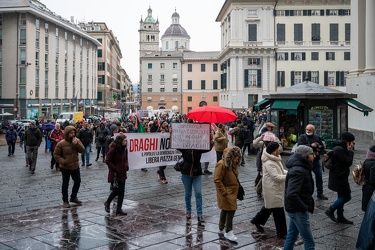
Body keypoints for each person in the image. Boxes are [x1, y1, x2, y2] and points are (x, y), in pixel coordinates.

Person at [251, 142, 287, 239]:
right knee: (278, 210)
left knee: (270, 207)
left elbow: (282, 171)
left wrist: (290, 172)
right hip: (272, 188)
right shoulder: (269, 162)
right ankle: (282, 233)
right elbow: (276, 177)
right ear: (274, 151)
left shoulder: (275, 159)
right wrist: (289, 176)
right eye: (278, 149)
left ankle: (256, 220)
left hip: (275, 188)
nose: (280, 151)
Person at [284, 145, 315, 250]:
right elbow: (292, 193)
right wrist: (303, 207)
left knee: (292, 236)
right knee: (309, 241)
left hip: (295, 208)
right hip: (298, 209)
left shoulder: (302, 166)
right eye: (311, 153)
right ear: (305, 156)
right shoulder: (298, 170)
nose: (314, 155)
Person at [177, 133, 214, 222]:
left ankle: (199, 214)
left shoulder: (199, 147)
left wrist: (211, 140)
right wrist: (172, 134)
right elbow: (176, 144)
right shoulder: (184, 147)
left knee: (198, 193)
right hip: (186, 173)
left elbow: (208, 148)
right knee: (188, 194)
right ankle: (188, 211)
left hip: (197, 173)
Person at [325, 131, 355, 224]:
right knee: (347, 196)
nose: (353, 144)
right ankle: (330, 210)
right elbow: (348, 162)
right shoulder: (339, 149)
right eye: (352, 142)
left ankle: (340, 216)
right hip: (339, 177)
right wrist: (350, 151)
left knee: (341, 196)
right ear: (347, 141)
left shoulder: (341, 148)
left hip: (341, 176)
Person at [214, 146, 242, 241]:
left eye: (238, 158)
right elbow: (217, 179)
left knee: (226, 209)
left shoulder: (233, 165)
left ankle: (221, 227)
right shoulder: (221, 164)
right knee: (231, 209)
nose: (237, 160)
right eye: (235, 158)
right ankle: (228, 231)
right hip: (227, 192)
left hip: (233, 191)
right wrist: (224, 192)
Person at [53, 126, 85, 208]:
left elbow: (82, 150)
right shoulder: (61, 143)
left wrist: (76, 144)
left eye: (74, 133)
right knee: (65, 184)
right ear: (67, 134)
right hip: (66, 167)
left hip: (75, 166)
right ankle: (65, 200)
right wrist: (63, 162)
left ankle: (73, 197)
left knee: (77, 181)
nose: (73, 134)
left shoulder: (76, 140)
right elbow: (56, 155)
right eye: (71, 133)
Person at [297, 124, 328, 200]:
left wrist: (319, 148)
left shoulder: (317, 137)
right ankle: (307, 193)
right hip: (306, 161)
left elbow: (322, 146)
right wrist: (311, 145)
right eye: (307, 129)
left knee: (319, 176)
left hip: (316, 159)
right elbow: (300, 147)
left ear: (313, 131)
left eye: (309, 130)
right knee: (308, 178)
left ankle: (320, 193)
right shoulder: (302, 137)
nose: (308, 131)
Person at [104, 133, 129, 216]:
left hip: (122, 172)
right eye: (124, 140)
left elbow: (126, 159)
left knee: (122, 191)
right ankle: (107, 203)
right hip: (115, 173)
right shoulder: (113, 149)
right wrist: (114, 168)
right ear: (120, 141)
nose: (126, 142)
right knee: (116, 191)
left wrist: (126, 165)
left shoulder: (125, 149)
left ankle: (119, 209)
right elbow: (107, 160)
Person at [361, 145, 375, 212]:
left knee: (366, 206)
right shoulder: (374, 164)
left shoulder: (367, 160)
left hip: (365, 186)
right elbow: (373, 180)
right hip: (371, 189)